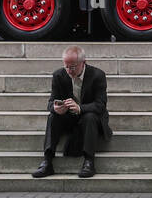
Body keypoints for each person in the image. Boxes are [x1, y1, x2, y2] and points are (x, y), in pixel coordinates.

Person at [32, 45, 111, 178]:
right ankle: (47, 161)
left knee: (90, 117)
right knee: (53, 116)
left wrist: (80, 108)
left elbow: (100, 105)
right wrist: (56, 108)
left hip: (90, 118)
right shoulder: (58, 75)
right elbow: (50, 102)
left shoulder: (98, 75)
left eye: (73, 67)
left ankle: (89, 162)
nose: (69, 70)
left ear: (83, 63)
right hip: (68, 117)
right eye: (66, 66)